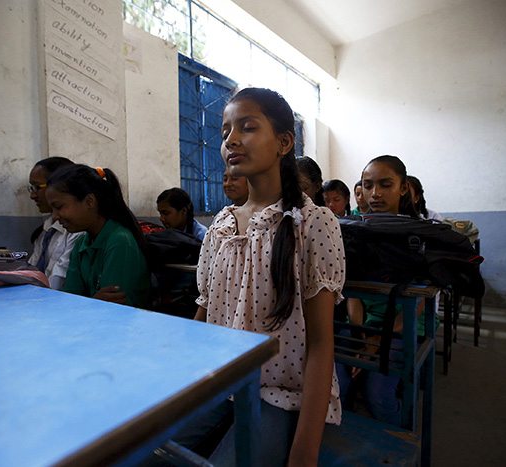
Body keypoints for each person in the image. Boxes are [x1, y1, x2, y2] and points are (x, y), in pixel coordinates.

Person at [180, 88, 345, 466]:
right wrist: (181, 382)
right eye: (224, 132)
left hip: (279, 391)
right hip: (219, 383)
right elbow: (204, 317)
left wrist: (305, 450)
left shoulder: (314, 223)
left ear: (284, 142)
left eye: (248, 127)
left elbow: (321, 345)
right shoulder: (220, 226)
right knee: (150, 452)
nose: (231, 139)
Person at [337, 155, 422, 425]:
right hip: (364, 326)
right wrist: (363, 336)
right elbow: (353, 298)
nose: (375, 194)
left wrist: (375, 343)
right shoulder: (353, 234)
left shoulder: (421, 237)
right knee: (336, 385)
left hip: (404, 327)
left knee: (378, 397)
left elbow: (417, 306)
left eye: (385, 185)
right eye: (368, 185)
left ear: (403, 187)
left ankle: (403, 443)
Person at [45, 164, 150, 308]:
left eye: (59, 207)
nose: (55, 216)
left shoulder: (120, 241)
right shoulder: (81, 243)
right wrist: (94, 301)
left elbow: (110, 308)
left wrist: (88, 302)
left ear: (89, 201)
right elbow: (70, 298)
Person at [26, 156, 83, 290]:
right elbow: (31, 269)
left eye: (37, 187)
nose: (32, 195)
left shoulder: (77, 230)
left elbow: (58, 281)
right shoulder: (47, 228)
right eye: (31, 187)